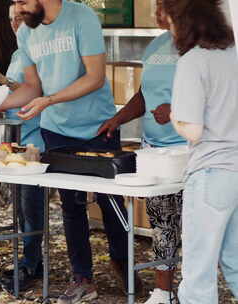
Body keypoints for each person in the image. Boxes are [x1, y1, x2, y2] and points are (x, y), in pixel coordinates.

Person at [0, 0, 139, 302]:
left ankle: (125, 263)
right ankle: (82, 278)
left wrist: (50, 100)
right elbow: (33, 87)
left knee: (110, 202)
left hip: (98, 127)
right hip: (56, 130)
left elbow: (95, 76)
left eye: (23, 1)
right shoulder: (26, 32)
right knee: (71, 207)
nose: (18, 9)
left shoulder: (81, 16)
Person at [97, 1, 184, 303]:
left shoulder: (200, 46)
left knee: (197, 226)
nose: (155, 11)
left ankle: (195, 289)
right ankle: (164, 291)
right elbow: (145, 94)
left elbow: (214, 94)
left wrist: (177, 110)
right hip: (154, 150)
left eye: (162, 6)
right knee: (163, 222)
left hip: (189, 149)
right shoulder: (156, 45)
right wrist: (118, 119)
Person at [164, 0, 238, 303]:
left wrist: (174, 117)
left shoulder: (193, 61)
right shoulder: (234, 56)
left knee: (198, 274)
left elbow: (192, 130)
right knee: (235, 262)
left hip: (211, 172)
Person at [0, 3, 45, 291]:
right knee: (21, 208)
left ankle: (31, 263)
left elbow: (36, 89)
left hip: (36, 138)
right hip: (15, 137)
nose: (15, 23)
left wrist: (2, 80)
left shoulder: (40, 50)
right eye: (11, 19)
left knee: (31, 207)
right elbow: (13, 92)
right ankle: (29, 260)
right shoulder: (19, 53)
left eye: (20, 17)